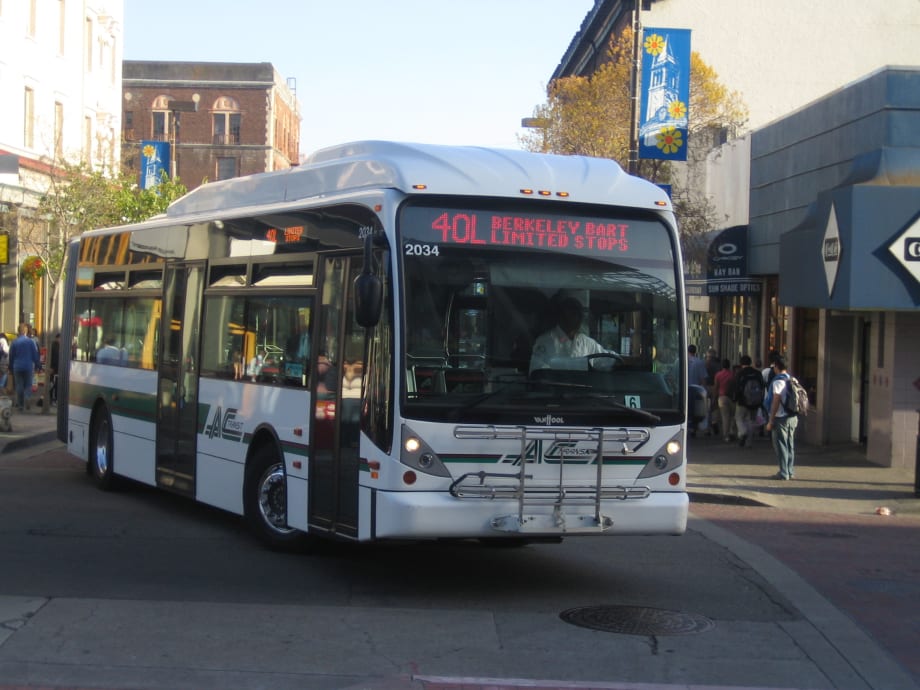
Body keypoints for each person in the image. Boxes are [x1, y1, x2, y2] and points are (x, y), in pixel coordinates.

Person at [529, 296, 610, 373]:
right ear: (561, 316)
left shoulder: (587, 343)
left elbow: (605, 359)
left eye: (579, 314)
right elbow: (538, 371)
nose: (579, 318)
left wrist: (620, 359)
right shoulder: (545, 341)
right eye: (573, 313)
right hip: (555, 387)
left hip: (584, 386)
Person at [765, 356, 798, 480]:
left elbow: (776, 400)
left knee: (781, 445)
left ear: (777, 367)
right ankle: (790, 470)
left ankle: (784, 472)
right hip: (792, 417)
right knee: (790, 444)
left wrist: (771, 419)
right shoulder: (792, 379)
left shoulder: (778, 381)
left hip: (781, 417)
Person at [9, 323, 41, 411]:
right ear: (26, 331)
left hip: (17, 366)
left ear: (18, 331)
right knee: (28, 385)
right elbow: (35, 355)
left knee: (19, 385)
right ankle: (27, 397)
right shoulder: (31, 342)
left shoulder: (14, 342)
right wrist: (38, 365)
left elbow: (11, 356)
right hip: (28, 366)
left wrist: (10, 367)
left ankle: (20, 405)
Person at [733, 355, 762, 449]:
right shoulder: (757, 373)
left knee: (739, 418)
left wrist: (735, 398)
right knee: (751, 420)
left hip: (742, 400)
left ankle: (743, 432)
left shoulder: (740, 373)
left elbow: (737, 387)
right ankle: (749, 442)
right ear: (750, 363)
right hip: (755, 401)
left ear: (741, 363)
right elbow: (762, 386)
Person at [713, 358, 735, 442]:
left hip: (722, 397)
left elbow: (716, 387)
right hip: (732, 398)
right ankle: (732, 431)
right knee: (733, 416)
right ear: (729, 365)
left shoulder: (718, 375)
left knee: (725, 417)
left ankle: (726, 436)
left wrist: (714, 398)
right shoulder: (732, 374)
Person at [49, 333, 61, 405]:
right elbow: (54, 358)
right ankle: (53, 399)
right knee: (54, 384)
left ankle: (53, 399)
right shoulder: (55, 346)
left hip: (55, 368)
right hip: (54, 368)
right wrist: (51, 367)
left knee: (54, 384)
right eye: (60, 338)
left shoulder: (57, 346)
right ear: (57, 338)